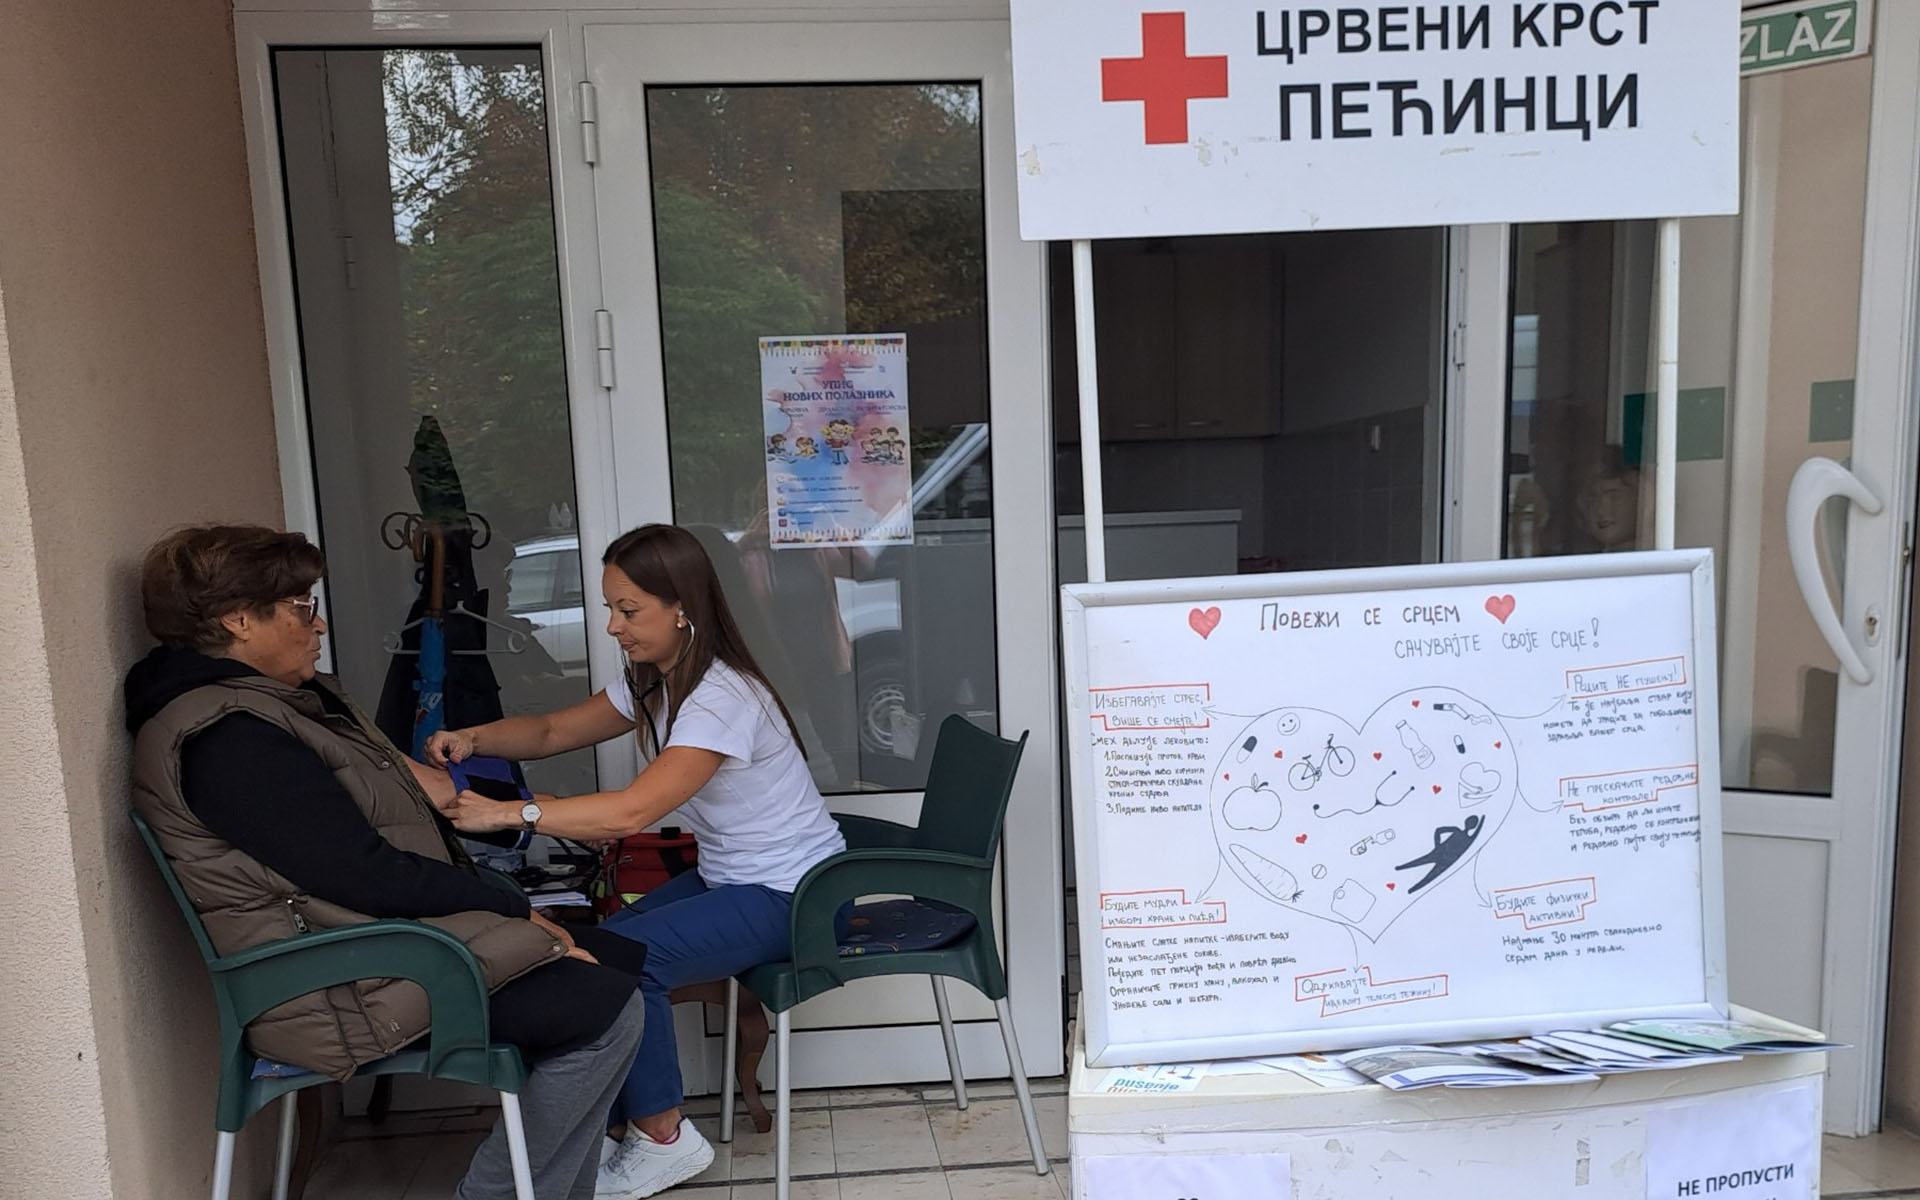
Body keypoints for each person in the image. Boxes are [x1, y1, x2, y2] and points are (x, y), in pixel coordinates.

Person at [125, 525, 648, 1200]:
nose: (317, 625)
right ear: (238, 620)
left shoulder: (276, 706)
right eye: (300, 607)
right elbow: (365, 875)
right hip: (333, 988)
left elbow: (392, 820)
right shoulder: (229, 739)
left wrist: (507, 828)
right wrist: (515, 912)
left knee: (617, 961)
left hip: (369, 948)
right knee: (604, 1008)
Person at [429, 523, 847, 1200]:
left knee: (629, 966)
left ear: (682, 607)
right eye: (610, 609)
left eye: (628, 610)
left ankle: (663, 1137)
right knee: (596, 950)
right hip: (734, 878)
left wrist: (510, 813)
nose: (613, 627)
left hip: (794, 894)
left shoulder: (721, 697)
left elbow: (631, 813)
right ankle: (620, 1128)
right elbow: (552, 730)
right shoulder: (658, 681)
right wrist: (472, 738)